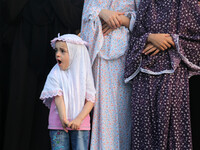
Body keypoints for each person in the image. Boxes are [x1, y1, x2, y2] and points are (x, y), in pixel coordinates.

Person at [2, 0, 84, 150]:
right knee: (20, 103)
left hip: (58, 44)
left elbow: (75, 14)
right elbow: (8, 10)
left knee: (51, 107)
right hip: (23, 40)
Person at [124, 0, 200, 149]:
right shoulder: (147, 3)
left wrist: (172, 40)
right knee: (143, 130)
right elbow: (135, 37)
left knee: (173, 130)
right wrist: (149, 38)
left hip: (174, 76)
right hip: (144, 78)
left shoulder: (187, 4)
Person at [80, 0, 140, 149]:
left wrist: (123, 20)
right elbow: (87, 13)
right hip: (100, 52)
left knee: (124, 116)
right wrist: (101, 13)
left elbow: (146, 19)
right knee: (103, 115)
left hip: (127, 56)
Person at [40, 34, 96, 150]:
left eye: (62, 51)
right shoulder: (55, 73)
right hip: (58, 124)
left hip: (81, 124)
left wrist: (79, 119)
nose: (57, 54)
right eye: (56, 50)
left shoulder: (85, 75)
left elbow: (90, 100)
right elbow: (58, 99)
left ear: (76, 54)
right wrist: (63, 119)